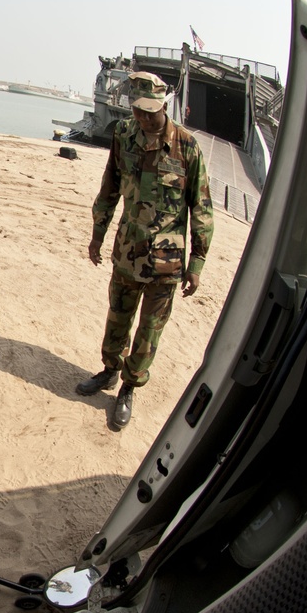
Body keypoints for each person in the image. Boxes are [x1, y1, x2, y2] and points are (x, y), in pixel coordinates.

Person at [76, 72, 214, 429]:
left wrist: (197, 263)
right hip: (127, 251)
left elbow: (201, 209)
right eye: (137, 109)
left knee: (150, 328)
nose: (143, 117)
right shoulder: (124, 134)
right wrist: (98, 234)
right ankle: (109, 371)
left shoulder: (187, 146)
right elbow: (110, 185)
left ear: (164, 104)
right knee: (117, 316)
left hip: (166, 262)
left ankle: (129, 388)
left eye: (150, 111)